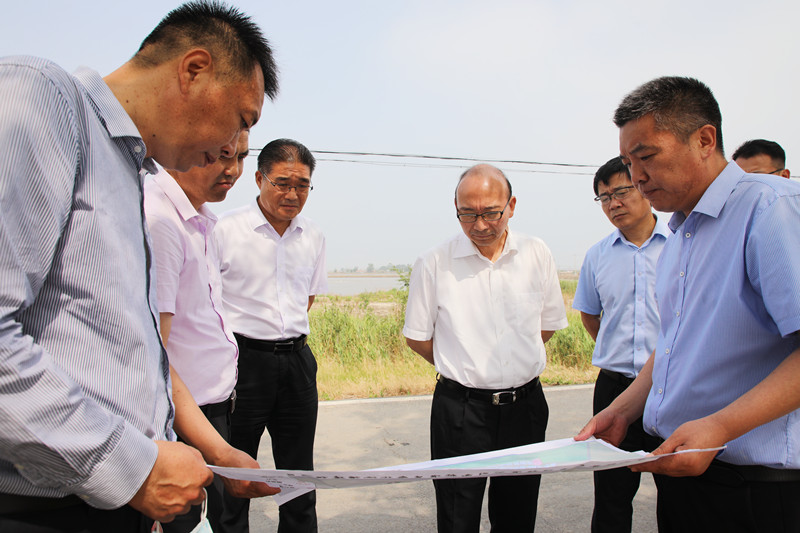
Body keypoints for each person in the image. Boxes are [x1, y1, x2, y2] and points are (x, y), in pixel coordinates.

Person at [0, 2, 280, 531]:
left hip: (116, 502)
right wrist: (129, 468)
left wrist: (199, 452)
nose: (232, 148)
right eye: (242, 120)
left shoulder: (132, 173)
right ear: (194, 70)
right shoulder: (44, 99)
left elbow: (130, 354)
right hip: (46, 508)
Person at [576, 76, 800, 532]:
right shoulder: (680, 234)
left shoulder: (770, 210)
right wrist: (623, 410)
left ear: (704, 140)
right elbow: (673, 344)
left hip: (754, 488)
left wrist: (720, 427)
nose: (637, 177)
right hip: (685, 476)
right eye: (628, 162)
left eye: (647, 157)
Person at [403, 164, 568, 533]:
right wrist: (465, 364)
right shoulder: (434, 262)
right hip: (460, 412)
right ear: (456, 208)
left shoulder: (536, 253)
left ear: (511, 205)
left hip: (525, 409)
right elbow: (417, 337)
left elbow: (545, 326)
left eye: (491, 213)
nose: (479, 225)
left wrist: (510, 363)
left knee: (517, 515)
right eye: (467, 214)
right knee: (457, 517)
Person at [215, 139, 327, 533]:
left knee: (298, 477)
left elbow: (307, 298)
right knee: (235, 476)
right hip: (242, 363)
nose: (292, 194)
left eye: (302, 185)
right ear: (259, 178)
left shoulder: (313, 235)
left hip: (297, 363)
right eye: (283, 183)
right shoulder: (224, 230)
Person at [145, 130, 252, 532]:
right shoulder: (161, 222)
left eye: (241, 156)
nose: (233, 170)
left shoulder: (200, 219)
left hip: (213, 411)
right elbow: (153, 358)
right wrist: (218, 451)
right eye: (222, 156)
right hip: (185, 421)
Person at [573, 156, 668, 533]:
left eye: (621, 192)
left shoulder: (681, 245)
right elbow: (590, 315)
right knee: (612, 495)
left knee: (679, 493)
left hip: (671, 387)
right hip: (614, 388)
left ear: (645, 187)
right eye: (604, 197)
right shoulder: (597, 255)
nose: (613, 203)